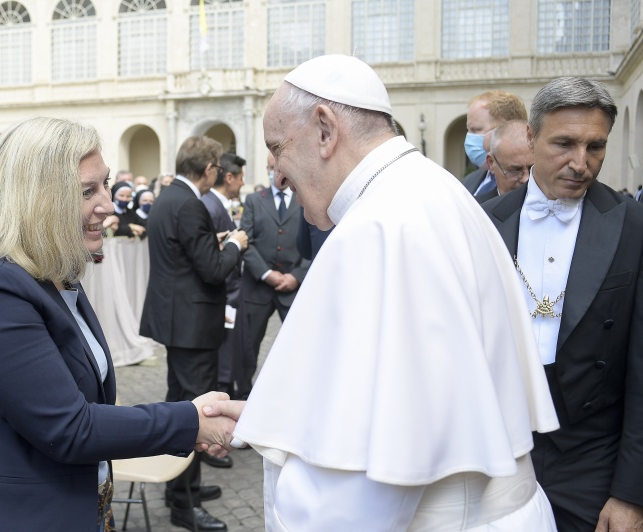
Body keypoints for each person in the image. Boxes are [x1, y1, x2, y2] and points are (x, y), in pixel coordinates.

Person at [219, 54, 560, 530]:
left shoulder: (381, 225)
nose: (276, 173)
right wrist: (273, 418)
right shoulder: (431, 189)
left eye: (278, 147)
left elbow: (366, 485)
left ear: (325, 130)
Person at [0, 117, 236, 531]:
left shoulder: (49, 271)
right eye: (87, 191)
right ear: (34, 199)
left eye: (105, 184)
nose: (108, 205)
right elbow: (68, 427)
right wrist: (191, 420)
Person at [482, 77, 643, 531]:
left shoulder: (632, 225)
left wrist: (631, 495)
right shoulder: (485, 222)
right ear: (531, 137)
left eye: (596, 146)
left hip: (592, 457)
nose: (580, 163)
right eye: (564, 144)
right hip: (501, 448)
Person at [140, 136, 248, 531]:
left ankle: (179, 488)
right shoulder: (190, 204)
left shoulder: (170, 197)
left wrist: (212, 241)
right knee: (195, 411)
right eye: (217, 167)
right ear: (208, 169)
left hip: (178, 320)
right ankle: (185, 504)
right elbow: (213, 270)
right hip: (192, 324)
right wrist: (235, 243)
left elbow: (184, 251)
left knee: (180, 403)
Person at [239, 152, 310, 397]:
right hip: (257, 288)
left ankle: (298, 396)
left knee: (300, 346)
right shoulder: (253, 201)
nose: (275, 172)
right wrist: (266, 273)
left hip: (293, 288)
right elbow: (245, 241)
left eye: (279, 167)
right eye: (271, 167)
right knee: (247, 348)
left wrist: (296, 276)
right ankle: (243, 395)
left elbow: (313, 244)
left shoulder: (305, 199)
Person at [201, 152, 256, 403]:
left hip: (233, 296)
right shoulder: (211, 206)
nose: (243, 183)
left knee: (234, 359)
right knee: (223, 365)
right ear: (230, 178)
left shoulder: (218, 204)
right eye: (241, 178)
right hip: (224, 297)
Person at [462, 91, 527, 196]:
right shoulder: (469, 181)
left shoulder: (529, 184)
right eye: (468, 130)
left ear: (503, 130)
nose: (469, 137)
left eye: (475, 130)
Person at [475, 120, 533, 203]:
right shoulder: (476, 208)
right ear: (491, 163)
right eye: (514, 170)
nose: (526, 179)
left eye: (533, 168)